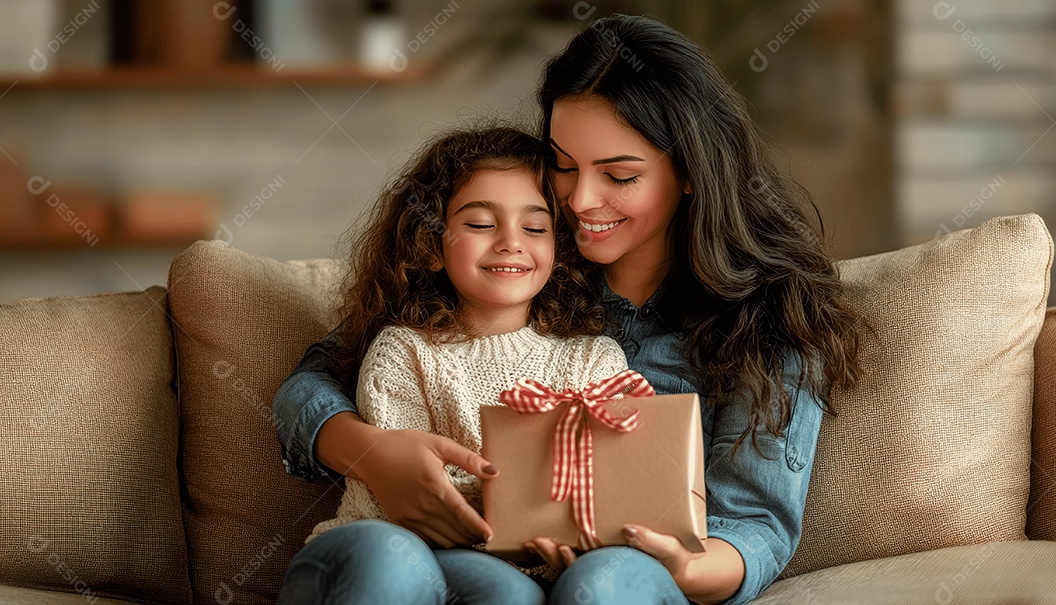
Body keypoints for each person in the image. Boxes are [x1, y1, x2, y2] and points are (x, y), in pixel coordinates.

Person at [274, 14, 860, 605]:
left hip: (626, 573)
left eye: (620, 175)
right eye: (563, 164)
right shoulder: (518, 264)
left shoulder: (765, 318)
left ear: (689, 172)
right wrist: (373, 455)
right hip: (434, 561)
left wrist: (679, 564)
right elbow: (313, 381)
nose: (578, 200)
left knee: (603, 585)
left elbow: (756, 526)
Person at [279, 125, 644, 605]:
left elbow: (623, 479)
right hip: (401, 544)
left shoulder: (594, 358)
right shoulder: (404, 353)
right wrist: (531, 513)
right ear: (431, 246)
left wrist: (582, 527)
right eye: (479, 224)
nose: (512, 242)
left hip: (527, 567)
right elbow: (418, 502)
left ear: (557, 254)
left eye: (535, 228)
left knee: (512, 592)